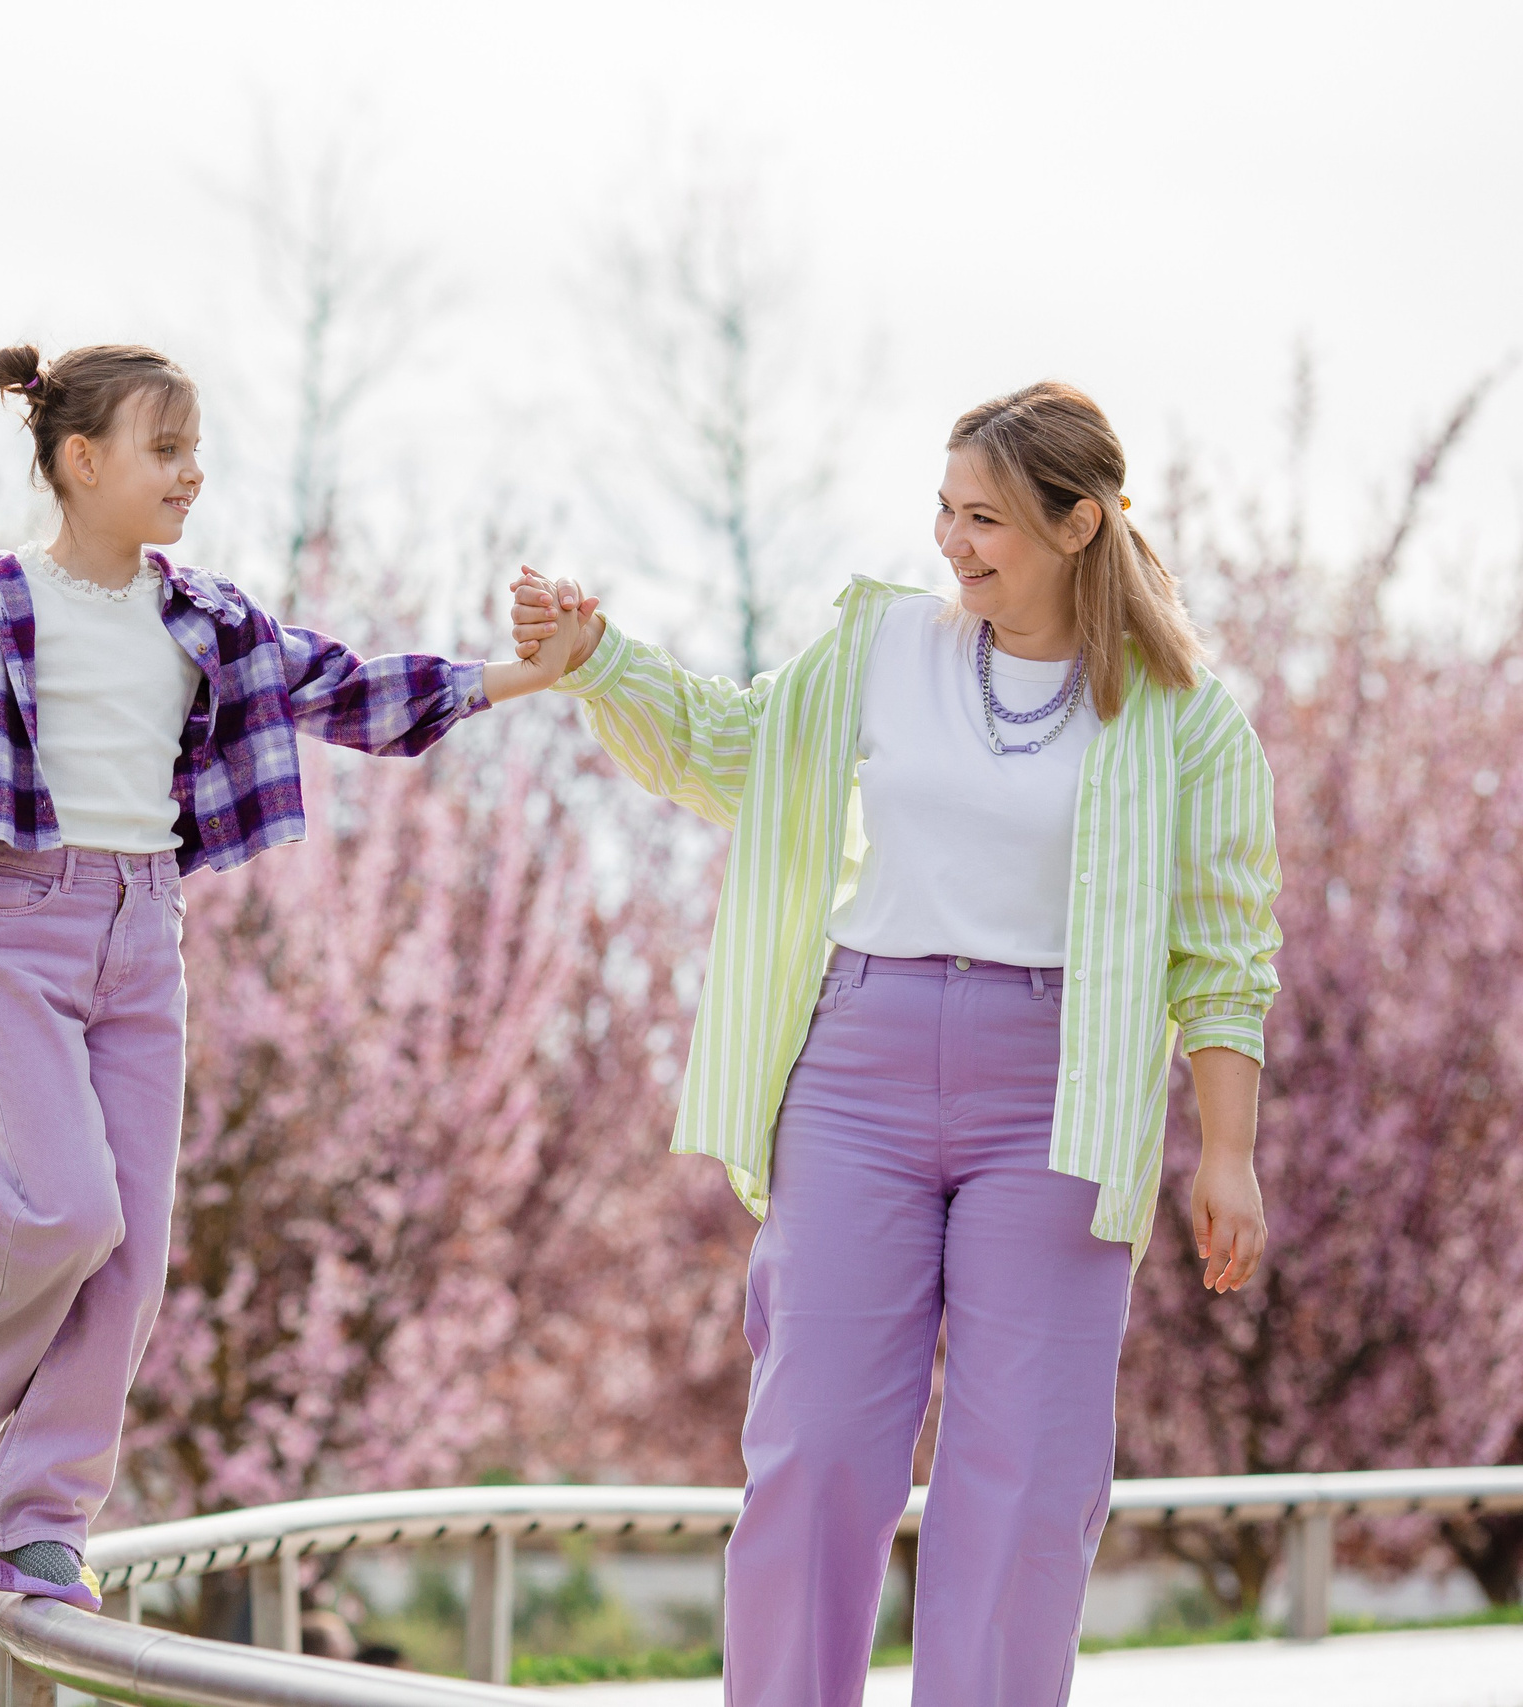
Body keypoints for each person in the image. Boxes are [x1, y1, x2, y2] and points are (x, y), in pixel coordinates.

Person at [0, 343, 589, 1610]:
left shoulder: (204, 620)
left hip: (145, 941)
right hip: (16, 926)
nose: (190, 475)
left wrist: (523, 674)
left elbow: (350, 689)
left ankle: (38, 1519)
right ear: (80, 461)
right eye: (165, 451)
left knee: (132, 1252)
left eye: (197, 452)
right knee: (63, 1209)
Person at [511, 381, 1279, 1705]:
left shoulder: (1182, 713)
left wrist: (1230, 1149)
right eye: (944, 509)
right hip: (858, 1068)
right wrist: (602, 659)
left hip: (1059, 1091)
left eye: (985, 518)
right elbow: (731, 749)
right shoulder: (881, 649)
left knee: (1025, 1472)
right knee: (816, 1444)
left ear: (1079, 523)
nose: (952, 541)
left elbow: (1221, 949)